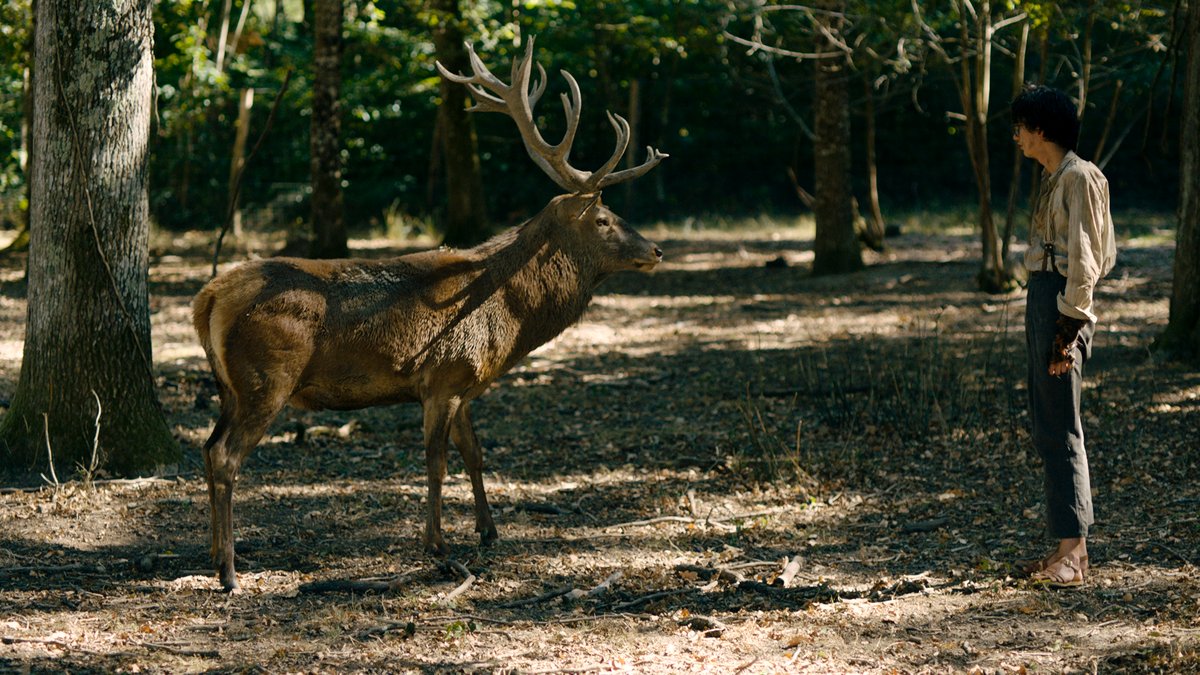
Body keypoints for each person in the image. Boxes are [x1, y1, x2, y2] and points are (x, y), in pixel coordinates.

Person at [1010, 85, 1117, 588]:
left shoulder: (1080, 178)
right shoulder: (1053, 179)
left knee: (1062, 427)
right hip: (1043, 298)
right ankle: (1066, 548)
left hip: (1062, 307)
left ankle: (1073, 558)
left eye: (1022, 126)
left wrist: (1067, 331)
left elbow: (1088, 262)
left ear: (1041, 128)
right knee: (1047, 425)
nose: (1017, 136)